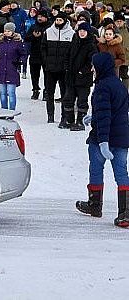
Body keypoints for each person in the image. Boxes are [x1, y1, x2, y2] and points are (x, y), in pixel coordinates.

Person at [76, 52, 129, 228]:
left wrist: (103, 142)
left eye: (94, 66)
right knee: (122, 174)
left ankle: (95, 205)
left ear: (100, 67)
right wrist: (93, 117)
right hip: (121, 138)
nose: (92, 69)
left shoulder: (103, 86)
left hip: (103, 138)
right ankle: (125, 212)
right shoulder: (118, 84)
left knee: (96, 169)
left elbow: (106, 116)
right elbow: (114, 110)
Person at [62, 22, 97, 131]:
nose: (82, 33)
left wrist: (83, 71)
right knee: (68, 99)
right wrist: (66, 66)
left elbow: (92, 61)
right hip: (71, 76)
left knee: (82, 100)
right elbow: (67, 55)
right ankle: (69, 120)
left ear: (88, 32)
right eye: (80, 31)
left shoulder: (91, 45)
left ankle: (80, 122)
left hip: (83, 78)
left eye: (84, 31)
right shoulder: (74, 41)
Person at [41, 12, 74, 125]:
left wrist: (68, 65)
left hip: (64, 70)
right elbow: (43, 47)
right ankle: (50, 115)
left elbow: (72, 51)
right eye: (57, 20)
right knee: (49, 93)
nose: (58, 22)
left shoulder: (71, 33)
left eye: (60, 20)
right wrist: (46, 61)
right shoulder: (49, 31)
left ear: (65, 20)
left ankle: (64, 117)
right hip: (50, 69)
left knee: (65, 94)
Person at [0, 22, 25, 110]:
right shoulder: (1, 42)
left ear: (13, 31)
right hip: (1, 70)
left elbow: (23, 54)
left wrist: (19, 61)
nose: (6, 32)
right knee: (2, 93)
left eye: (9, 31)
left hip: (12, 70)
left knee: (11, 93)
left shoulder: (17, 42)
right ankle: (4, 110)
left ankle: (11, 111)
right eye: (5, 31)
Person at [25, 8, 50, 100]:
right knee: (34, 74)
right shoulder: (33, 26)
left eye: (42, 17)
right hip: (35, 53)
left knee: (47, 74)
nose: (40, 18)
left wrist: (42, 36)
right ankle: (35, 89)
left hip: (46, 54)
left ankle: (46, 91)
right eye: (39, 16)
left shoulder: (50, 27)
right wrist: (33, 36)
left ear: (46, 18)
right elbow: (26, 38)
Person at [113, 12, 129, 88]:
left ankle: (125, 91)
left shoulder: (127, 29)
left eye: (120, 21)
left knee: (124, 75)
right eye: (117, 21)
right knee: (115, 76)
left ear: (123, 21)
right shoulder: (112, 30)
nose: (119, 23)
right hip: (115, 57)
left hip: (125, 56)